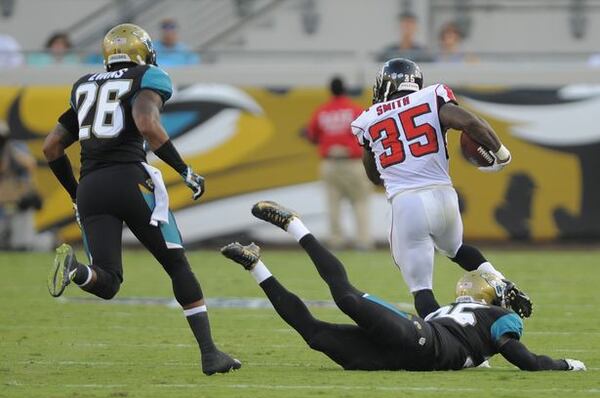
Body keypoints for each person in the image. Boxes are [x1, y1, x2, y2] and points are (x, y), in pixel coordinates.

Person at [41, 23, 240, 376]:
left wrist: (76, 194)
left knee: (107, 281)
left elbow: (52, 146)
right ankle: (210, 353)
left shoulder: (84, 85)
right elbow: (146, 122)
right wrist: (184, 169)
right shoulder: (149, 76)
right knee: (177, 265)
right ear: (141, 52)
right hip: (131, 180)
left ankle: (76, 271)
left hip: (91, 186)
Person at [221, 201, 586, 372]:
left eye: (477, 281)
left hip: (399, 357)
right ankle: (295, 226)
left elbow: (522, 358)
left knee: (315, 335)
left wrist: (559, 364)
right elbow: (512, 355)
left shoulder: (494, 315)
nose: (469, 284)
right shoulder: (464, 315)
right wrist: (561, 366)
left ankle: (256, 264)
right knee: (347, 298)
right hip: (420, 340)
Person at [350, 58, 532, 319]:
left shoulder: (367, 120)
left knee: (421, 291)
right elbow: (471, 123)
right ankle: (498, 280)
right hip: (444, 196)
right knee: (457, 249)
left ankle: (448, 342)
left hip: (408, 202)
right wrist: (501, 154)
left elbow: (374, 176)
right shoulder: (432, 96)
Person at [306, 77, 373, 250]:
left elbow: (312, 135)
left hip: (330, 162)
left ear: (330, 90)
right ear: (345, 89)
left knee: (333, 204)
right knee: (360, 202)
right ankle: (363, 241)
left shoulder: (322, 111)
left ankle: (336, 241)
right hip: (353, 162)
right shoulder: (354, 110)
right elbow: (366, 135)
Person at [0, 121, 41, 250]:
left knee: (22, 243)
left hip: (20, 201)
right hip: (3, 202)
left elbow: (30, 164)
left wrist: (10, 151)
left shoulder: (15, 147)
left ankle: (49, 239)